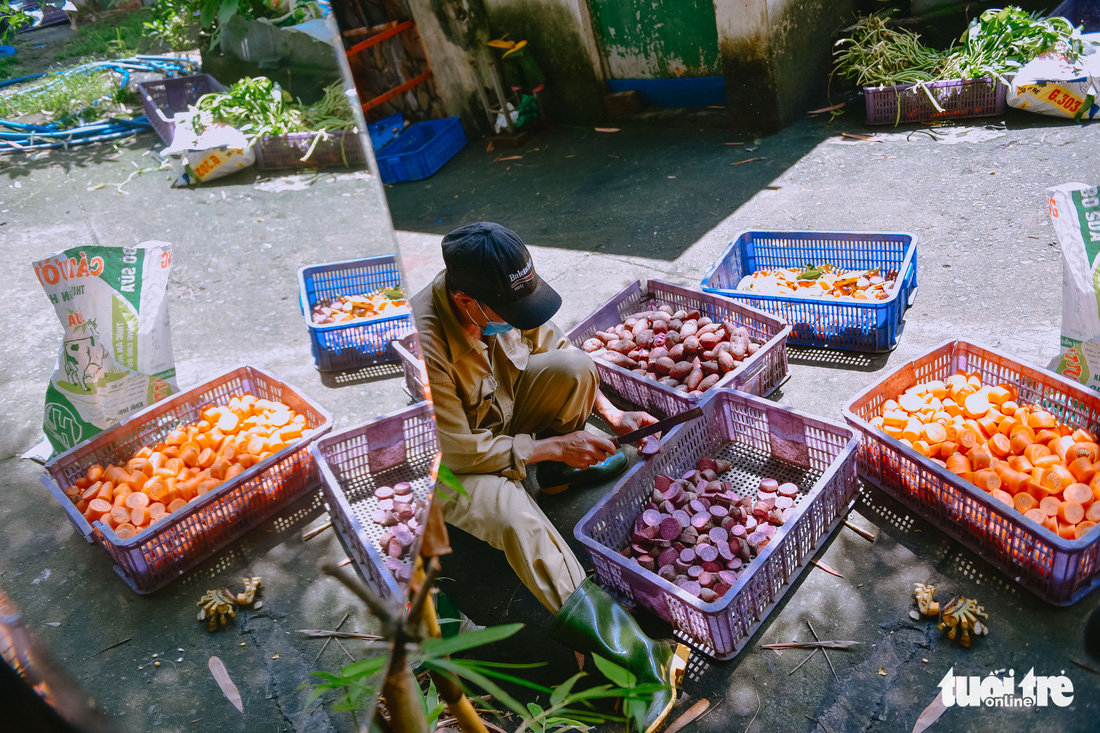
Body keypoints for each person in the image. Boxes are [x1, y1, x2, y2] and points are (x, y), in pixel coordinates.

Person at [412, 222, 684, 733]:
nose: (518, 319)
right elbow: (461, 450)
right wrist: (551, 444)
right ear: (466, 301)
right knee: (516, 515)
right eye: (506, 314)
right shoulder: (427, 339)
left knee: (575, 366)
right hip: (458, 462)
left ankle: (557, 474)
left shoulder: (504, 291)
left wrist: (611, 413)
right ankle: (643, 658)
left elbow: (554, 346)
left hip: (508, 422)